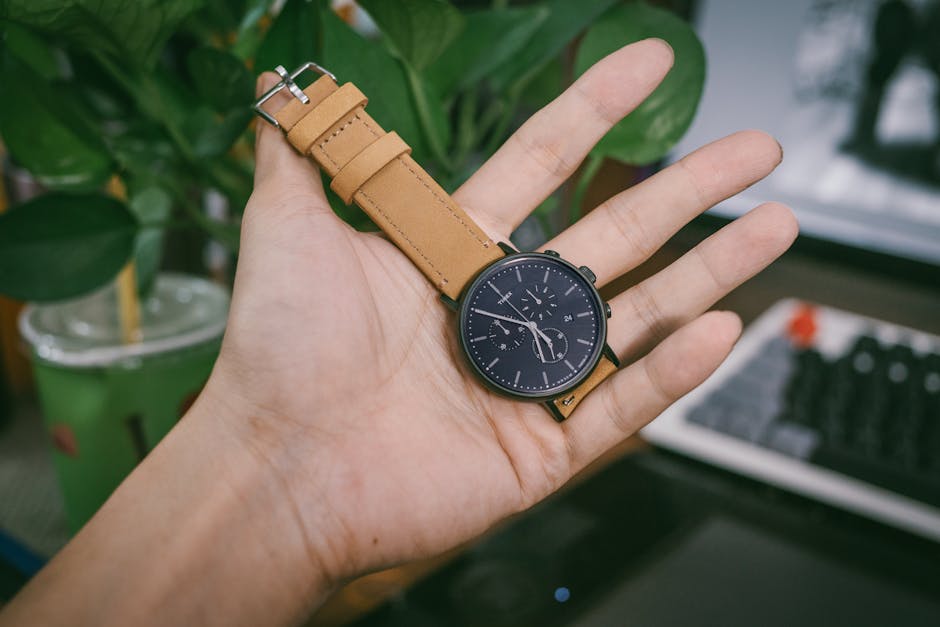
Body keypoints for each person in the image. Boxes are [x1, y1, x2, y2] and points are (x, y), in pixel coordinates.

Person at [0, 39, 796, 626]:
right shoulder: (527, 312)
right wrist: (272, 476)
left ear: (573, 290)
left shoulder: (544, 315)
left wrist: (268, 485)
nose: (531, 311)